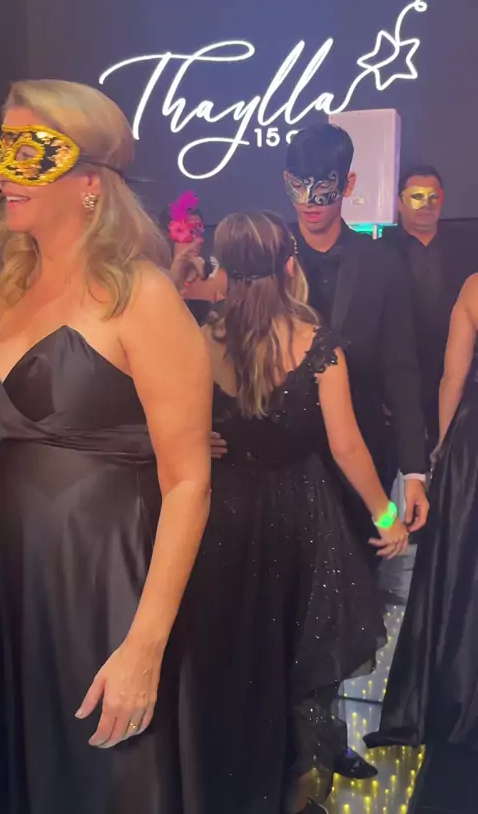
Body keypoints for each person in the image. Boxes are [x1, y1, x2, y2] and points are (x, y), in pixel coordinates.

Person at [0, 79, 211, 814]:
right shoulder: (5, 286)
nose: (5, 171)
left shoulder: (141, 295)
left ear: (90, 181)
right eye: (2, 147)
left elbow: (188, 483)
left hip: (102, 587)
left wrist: (145, 645)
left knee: (102, 783)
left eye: (29, 152)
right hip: (15, 584)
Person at [212, 125, 429, 779]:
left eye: (324, 189)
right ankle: (282, 752)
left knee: (334, 610)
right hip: (271, 468)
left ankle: (322, 741)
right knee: (270, 609)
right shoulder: (263, 252)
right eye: (298, 188)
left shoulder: (383, 262)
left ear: (349, 185)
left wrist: (414, 469)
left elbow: (403, 370)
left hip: (354, 460)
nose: (310, 202)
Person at [185, 209, 409, 813]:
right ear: (289, 266)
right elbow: (347, 446)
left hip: (226, 513)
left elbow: (178, 425)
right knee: (296, 659)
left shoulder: (201, 339)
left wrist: (200, 438)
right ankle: (291, 791)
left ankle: (236, 782)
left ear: (223, 270)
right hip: (301, 517)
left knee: (237, 652)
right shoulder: (315, 342)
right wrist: (386, 515)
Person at [365, 274, 478, 751]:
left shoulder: (474, 288)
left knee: (464, 571)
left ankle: (455, 697)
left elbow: (453, 378)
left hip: (474, 445)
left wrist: (442, 452)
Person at [382, 165, 478, 453]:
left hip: (461, 378)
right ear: (399, 201)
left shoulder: (469, 245)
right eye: (416, 196)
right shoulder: (378, 251)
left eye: (433, 196)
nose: (426, 204)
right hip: (401, 379)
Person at [162, 191, 227, 324]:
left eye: (199, 232)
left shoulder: (216, 277)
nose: (198, 240)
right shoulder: (154, 279)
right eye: (190, 232)